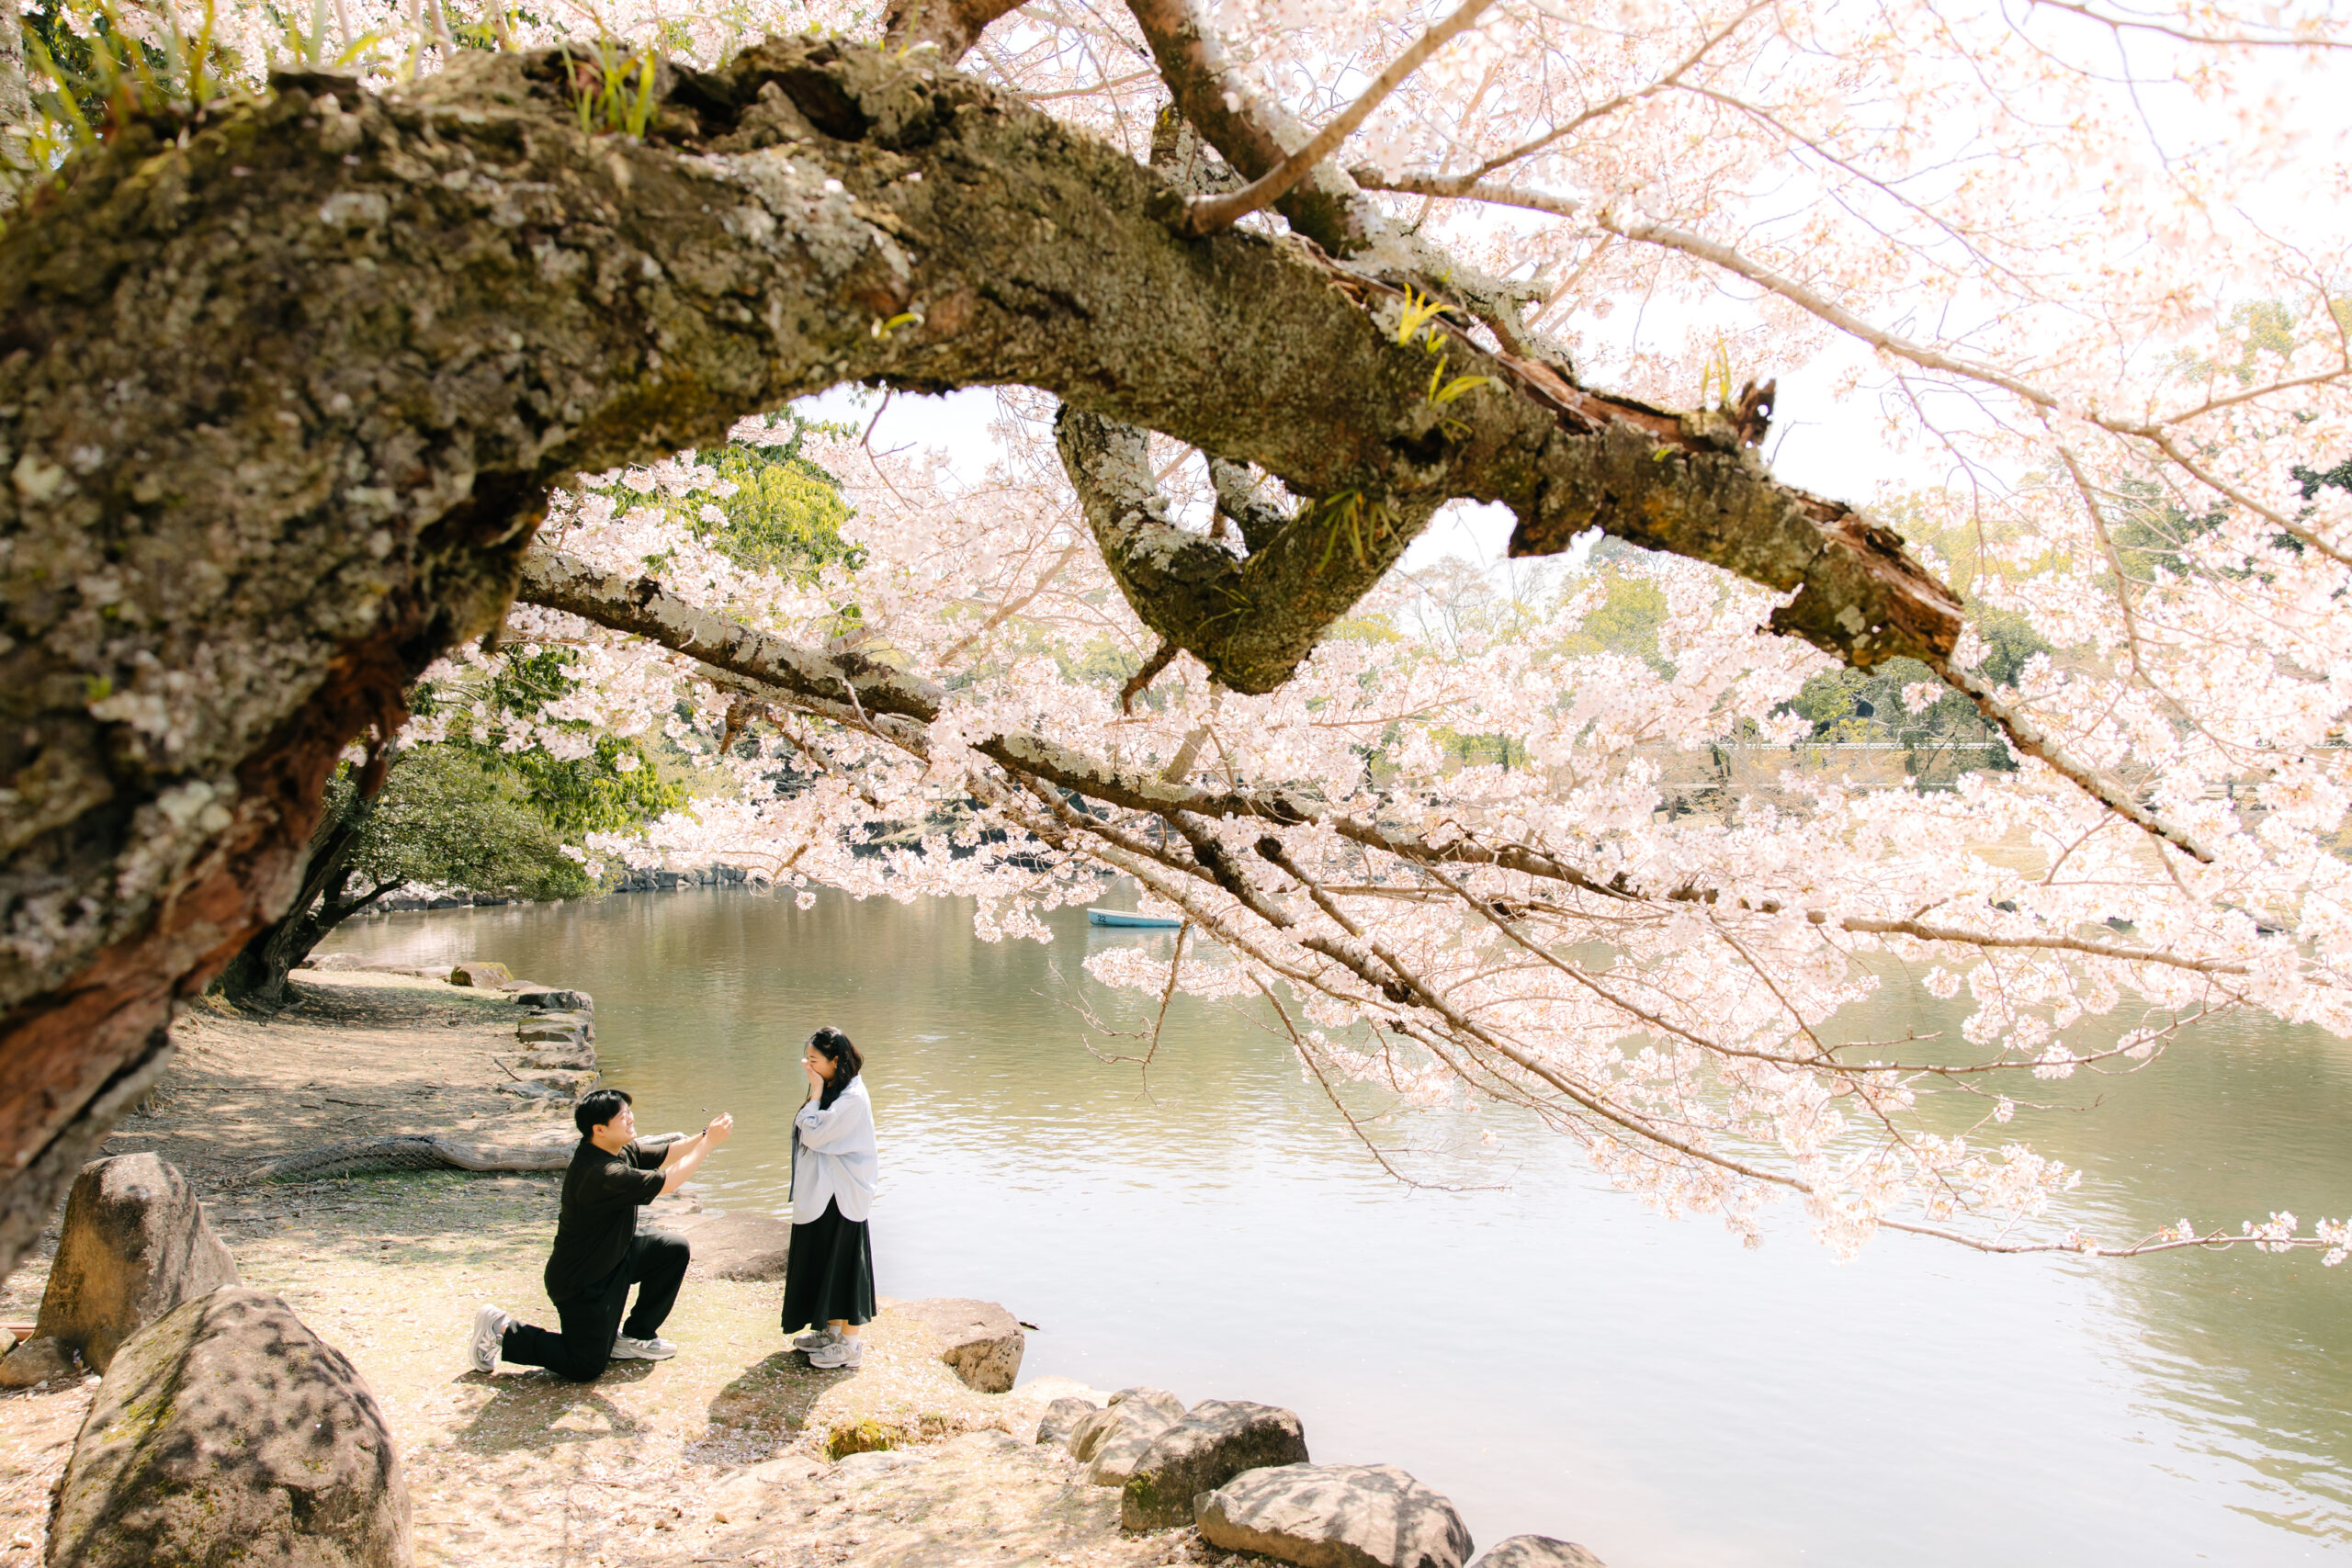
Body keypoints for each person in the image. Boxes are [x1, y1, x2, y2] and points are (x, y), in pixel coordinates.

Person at [468, 1089, 732, 1381]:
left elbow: (667, 1153)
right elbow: (668, 1182)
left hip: (613, 1256)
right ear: (599, 1129)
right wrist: (709, 1143)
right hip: (582, 1281)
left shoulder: (616, 1148)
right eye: (622, 1116)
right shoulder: (600, 1172)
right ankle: (500, 1329)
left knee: (672, 1248)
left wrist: (705, 1134)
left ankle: (636, 1336)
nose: (630, 1118)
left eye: (628, 1112)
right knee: (585, 1366)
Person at [780, 1026, 877, 1370]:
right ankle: (831, 1333)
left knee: (845, 1266)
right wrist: (819, 1091)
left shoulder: (851, 1098)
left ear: (835, 1061)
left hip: (842, 1194)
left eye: (814, 1060)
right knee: (827, 1261)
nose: (807, 1065)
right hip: (827, 1192)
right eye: (806, 1058)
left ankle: (850, 1346)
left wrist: (816, 1093)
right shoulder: (837, 1089)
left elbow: (813, 1132)